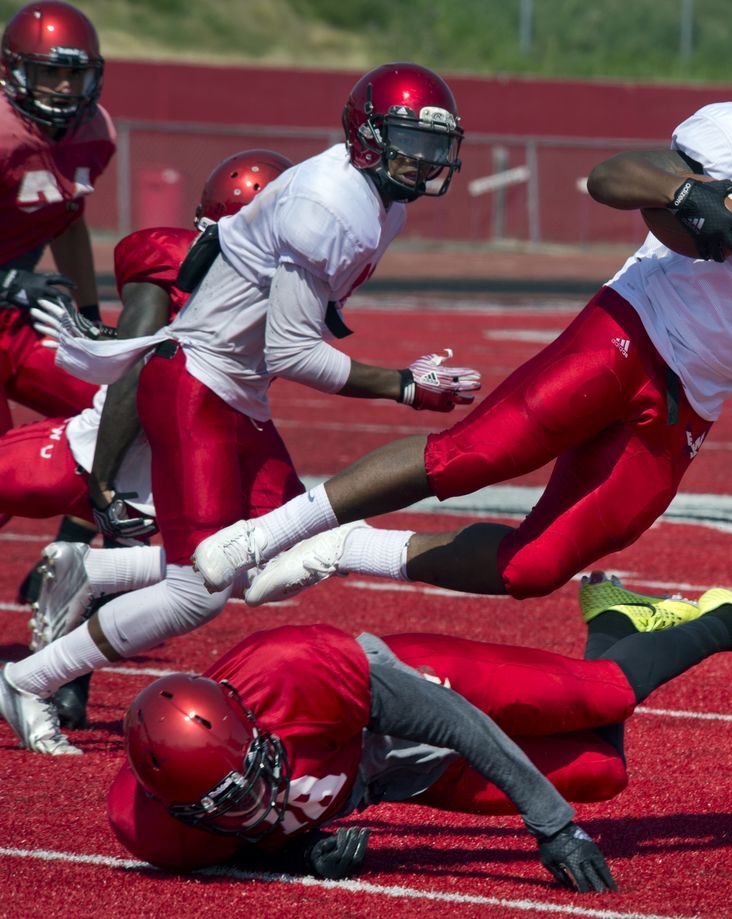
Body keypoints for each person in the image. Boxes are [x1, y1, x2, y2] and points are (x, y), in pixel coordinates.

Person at [193, 47, 732, 613]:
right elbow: (613, 176)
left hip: (695, 400)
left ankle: (341, 550)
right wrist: (687, 198)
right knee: (473, 457)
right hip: (631, 332)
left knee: (534, 569)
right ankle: (264, 533)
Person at [0, 63, 480, 756]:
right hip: (196, 383)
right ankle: (29, 677)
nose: (426, 160)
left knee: (276, 555)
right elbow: (292, 351)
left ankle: (91, 571)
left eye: (437, 146)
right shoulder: (327, 206)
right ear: (369, 137)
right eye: (412, 141)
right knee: (198, 590)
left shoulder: (383, 201)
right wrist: (403, 385)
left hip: (235, 391)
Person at [106, 576, 732, 890]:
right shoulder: (158, 832)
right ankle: (616, 614)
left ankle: (724, 619)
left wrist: (550, 824)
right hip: (383, 776)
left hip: (400, 695)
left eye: (259, 766)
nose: (261, 793)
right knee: (602, 767)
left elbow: (446, 718)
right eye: (230, 798)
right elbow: (256, 836)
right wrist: (300, 851)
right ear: (180, 808)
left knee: (601, 693)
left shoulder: (295, 672)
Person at [6, 148, 294, 730]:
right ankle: (61, 653)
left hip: (201, 442)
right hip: (99, 453)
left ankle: (84, 591)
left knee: (274, 553)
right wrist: (105, 483)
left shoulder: (299, 280)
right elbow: (138, 369)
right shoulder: (171, 261)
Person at [0, 1, 116, 598]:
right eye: (51, 72)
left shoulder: (95, 132)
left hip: (16, 314)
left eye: (76, 73)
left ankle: (68, 555)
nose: (66, 86)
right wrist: (10, 283)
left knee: (125, 403)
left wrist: (93, 323)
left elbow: (69, 222)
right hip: (11, 294)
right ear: (15, 71)